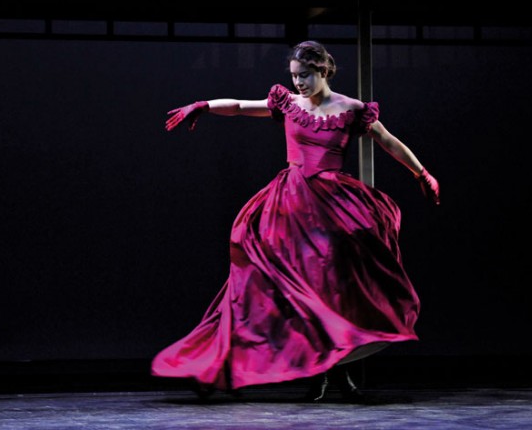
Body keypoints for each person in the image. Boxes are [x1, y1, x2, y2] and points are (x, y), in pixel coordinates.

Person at [153, 40, 440, 402]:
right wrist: (204, 106)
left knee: (337, 289)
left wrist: (422, 174)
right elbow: (242, 106)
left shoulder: (351, 109)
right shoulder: (288, 104)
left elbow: (388, 141)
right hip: (291, 204)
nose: (298, 83)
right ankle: (303, 371)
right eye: (293, 76)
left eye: (304, 75)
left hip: (333, 206)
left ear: (322, 70)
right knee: (288, 286)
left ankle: (341, 372)